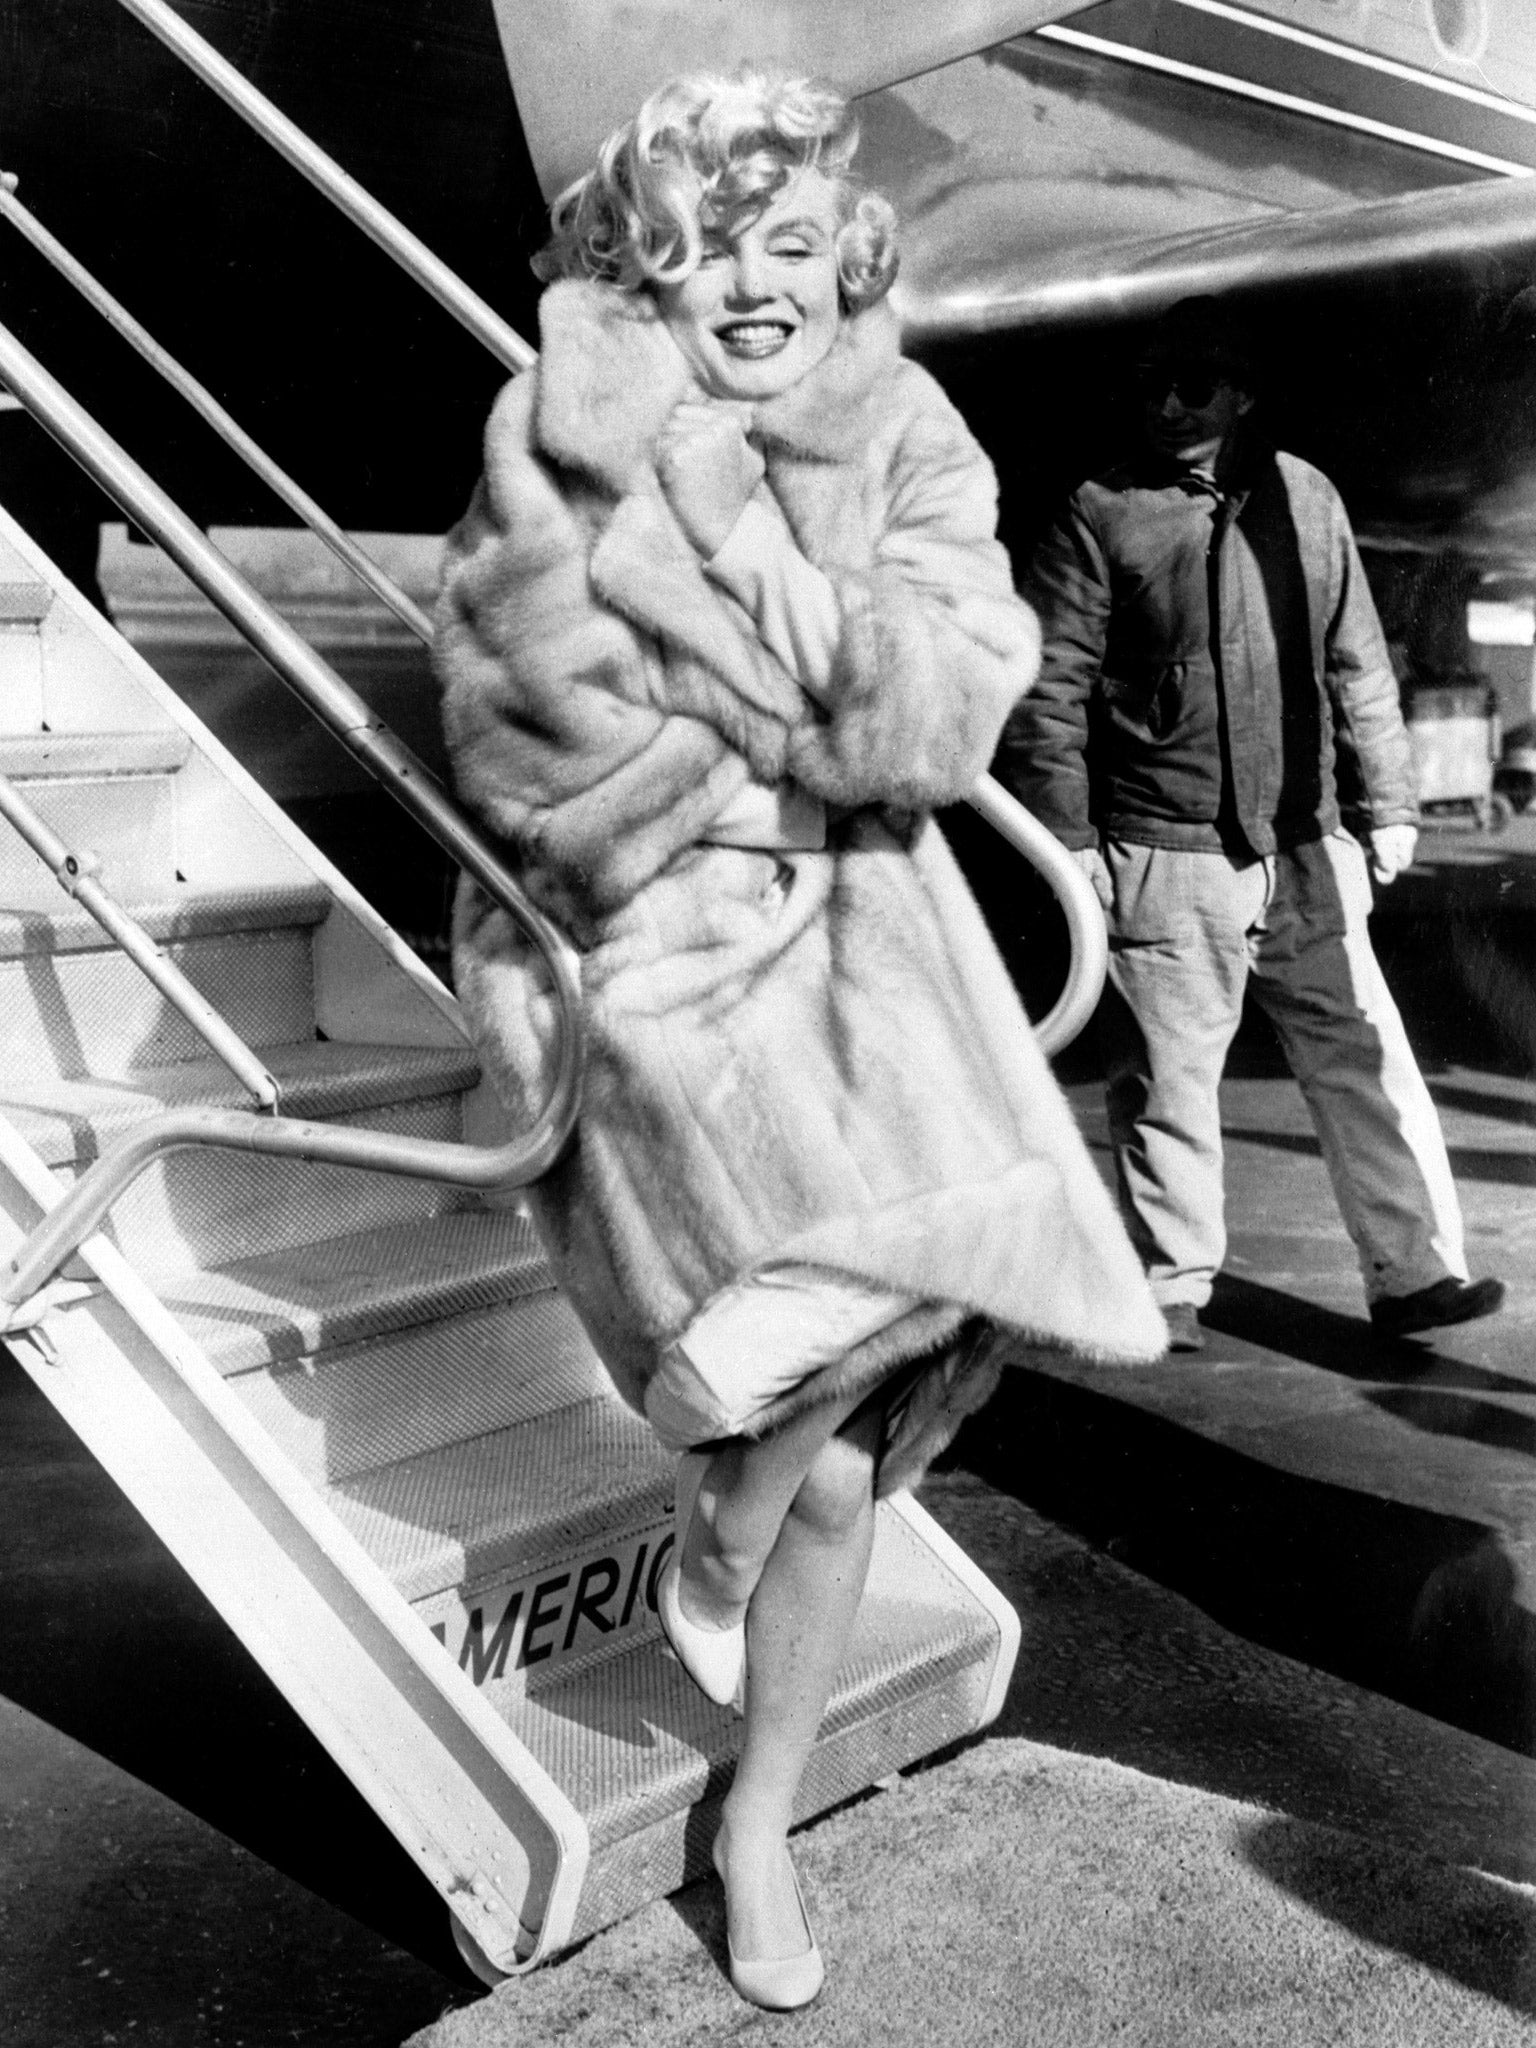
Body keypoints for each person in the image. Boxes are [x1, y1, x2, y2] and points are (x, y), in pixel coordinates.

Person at [434, 68, 1165, 2010]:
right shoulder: (561, 425)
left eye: (784, 247)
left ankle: (740, 1631)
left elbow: (939, 712)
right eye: (700, 253)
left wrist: (773, 595)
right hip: (646, 934)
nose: (749, 287)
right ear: (644, 271)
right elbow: (523, 720)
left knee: (876, 1362)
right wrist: (764, 737)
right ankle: (750, 1638)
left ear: (835, 258)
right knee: (843, 1374)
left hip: (853, 933)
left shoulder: (904, 429)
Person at [996, 296, 1504, 1353]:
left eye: (1195, 384)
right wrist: (1073, 841)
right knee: (1171, 1085)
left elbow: (1356, 659)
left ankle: (1416, 1277)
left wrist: (1394, 804)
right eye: (1151, 385)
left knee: (1365, 1068)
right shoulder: (1100, 513)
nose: (1170, 405)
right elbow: (1045, 690)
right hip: (1167, 856)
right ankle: (1172, 1289)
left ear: (1242, 394)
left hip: (1308, 853)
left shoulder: (1306, 499)